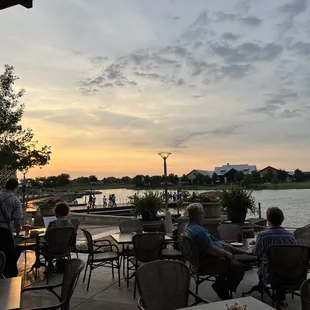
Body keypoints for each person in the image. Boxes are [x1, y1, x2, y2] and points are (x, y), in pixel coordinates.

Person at [185, 203, 245, 300]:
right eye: (202, 213)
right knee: (239, 267)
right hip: (206, 262)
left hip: (202, 260)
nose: (204, 215)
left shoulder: (189, 227)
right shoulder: (198, 231)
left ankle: (220, 284)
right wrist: (226, 253)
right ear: (195, 215)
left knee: (229, 261)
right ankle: (222, 288)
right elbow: (211, 249)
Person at [254, 207, 296, 310]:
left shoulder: (263, 236)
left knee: (264, 263)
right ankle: (280, 300)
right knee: (279, 265)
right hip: (289, 272)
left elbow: (256, 254)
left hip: (271, 273)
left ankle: (262, 286)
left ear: (268, 219)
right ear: (282, 219)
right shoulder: (291, 236)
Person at [0, 178, 22, 277]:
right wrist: (17, 234)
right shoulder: (15, 201)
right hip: (4, 230)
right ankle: (8, 278)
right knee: (9, 256)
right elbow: (17, 221)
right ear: (15, 187)